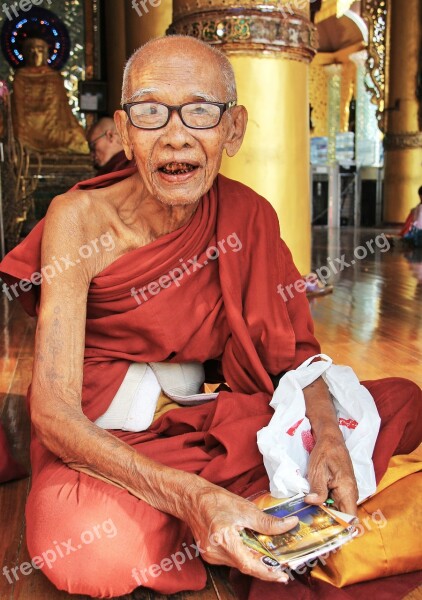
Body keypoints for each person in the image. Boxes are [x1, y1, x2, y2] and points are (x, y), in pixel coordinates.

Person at [0, 36, 421, 599]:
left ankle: (227, 516)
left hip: (210, 422)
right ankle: (222, 513)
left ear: (235, 129)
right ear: (124, 131)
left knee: (399, 402)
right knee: (88, 549)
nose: (176, 134)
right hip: (106, 439)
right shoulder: (77, 220)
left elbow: (293, 356)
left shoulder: (247, 214)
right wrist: (191, 496)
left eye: (201, 111)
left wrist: (325, 436)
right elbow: (53, 413)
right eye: (150, 112)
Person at [11, 37, 88, 154]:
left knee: (77, 136)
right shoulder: (20, 77)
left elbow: (62, 107)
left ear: (46, 53)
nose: (35, 55)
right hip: (26, 128)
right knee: (16, 137)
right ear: (25, 53)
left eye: (40, 50)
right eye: (31, 51)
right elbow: (18, 110)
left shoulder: (54, 77)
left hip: (52, 126)